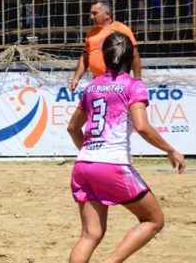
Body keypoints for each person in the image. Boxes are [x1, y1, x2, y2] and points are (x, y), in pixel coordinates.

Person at [66, 32, 185, 263]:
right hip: (113, 165)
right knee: (154, 220)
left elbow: (72, 128)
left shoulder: (91, 87)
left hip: (84, 164)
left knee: (90, 235)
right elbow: (142, 126)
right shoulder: (133, 86)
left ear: (104, 57)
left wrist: (92, 153)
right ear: (132, 57)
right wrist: (171, 150)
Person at [70, 1, 141, 92]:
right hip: (97, 81)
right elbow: (85, 56)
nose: (91, 17)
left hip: (117, 81)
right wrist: (76, 78)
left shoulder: (121, 29)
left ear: (107, 14)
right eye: (91, 13)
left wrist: (137, 79)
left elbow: (134, 54)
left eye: (95, 13)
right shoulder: (91, 33)